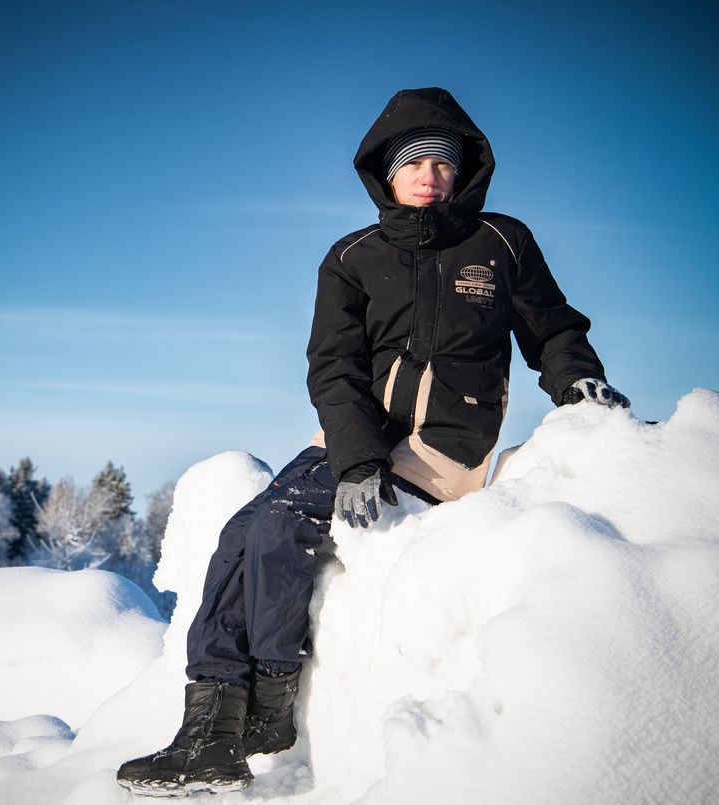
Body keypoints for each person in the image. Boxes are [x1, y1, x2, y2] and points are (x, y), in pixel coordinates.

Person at [116, 87, 628, 797]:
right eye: (413, 162)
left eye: (442, 163)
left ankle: (269, 703)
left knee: (281, 522)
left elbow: (554, 329)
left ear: (463, 172)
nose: (429, 175)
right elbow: (333, 366)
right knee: (241, 531)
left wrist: (578, 382)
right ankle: (208, 729)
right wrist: (356, 457)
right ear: (386, 173)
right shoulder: (352, 257)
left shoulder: (501, 242)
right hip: (354, 435)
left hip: (442, 443)